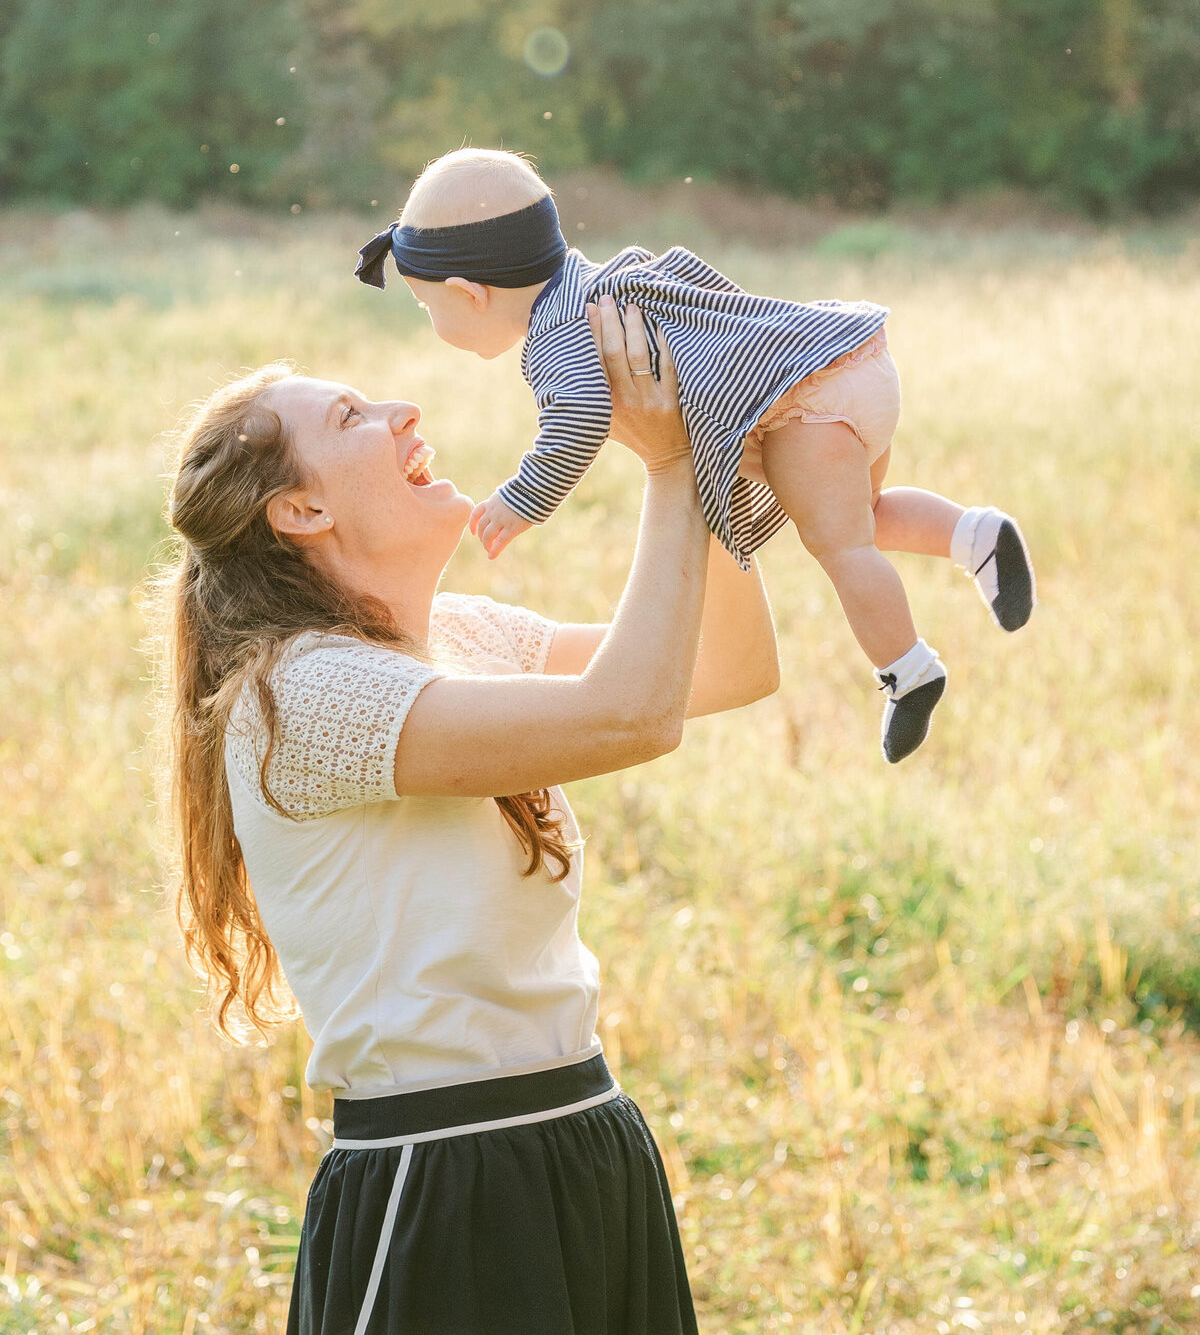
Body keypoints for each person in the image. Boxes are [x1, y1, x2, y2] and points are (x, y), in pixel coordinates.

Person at [159, 297, 779, 1335]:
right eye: (353, 417)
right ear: (299, 513)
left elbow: (731, 664)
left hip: (588, 1135)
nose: (404, 410)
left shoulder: (467, 634)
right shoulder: (297, 694)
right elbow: (630, 716)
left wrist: (716, 437)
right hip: (439, 1179)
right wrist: (670, 469)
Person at [355, 148, 1036, 765]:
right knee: (865, 513)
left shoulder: (558, 337)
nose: (432, 321)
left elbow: (578, 419)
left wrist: (523, 499)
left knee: (842, 547)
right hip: (851, 358)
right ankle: (974, 534)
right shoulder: (616, 277)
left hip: (805, 403)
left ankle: (909, 670)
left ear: (472, 296)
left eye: (426, 307)